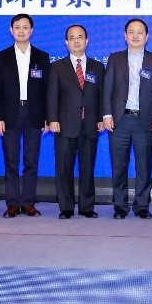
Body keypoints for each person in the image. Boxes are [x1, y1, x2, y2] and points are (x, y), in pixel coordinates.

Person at [101, 18, 152, 219]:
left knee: (143, 166)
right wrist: (107, 114)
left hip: (145, 121)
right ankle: (120, 205)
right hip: (119, 120)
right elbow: (107, 89)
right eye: (131, 32)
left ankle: (141, 205)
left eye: (140, 32)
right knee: (119, 165)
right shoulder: (115, 58)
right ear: (125, 35)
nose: (135, 36)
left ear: (147, 36)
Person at [0, 13, 50, 218]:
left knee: (31, 161)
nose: (21, 31)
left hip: (35, 113)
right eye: (17, 27)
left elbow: (47, 90)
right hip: (10, 114)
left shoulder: (42, 56)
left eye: (25, 27)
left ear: (31, 30)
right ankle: (13, 204)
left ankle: (29, 203)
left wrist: (48, 117)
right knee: (11, 161)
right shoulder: (2, 56)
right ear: (11, 30)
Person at [47, 24, 103, 219]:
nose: (76, 41)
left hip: (90, 125)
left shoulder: (97, 67)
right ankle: (66, 207)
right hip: (64, 125)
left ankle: (87, 207)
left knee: (87, 169)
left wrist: (101, 118)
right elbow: (52, 96)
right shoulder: (57, 67)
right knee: (64, 168)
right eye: (72, 38)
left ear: (87, 41)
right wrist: (52, 119)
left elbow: (102, 96)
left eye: (80, 37)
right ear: (66, 42)